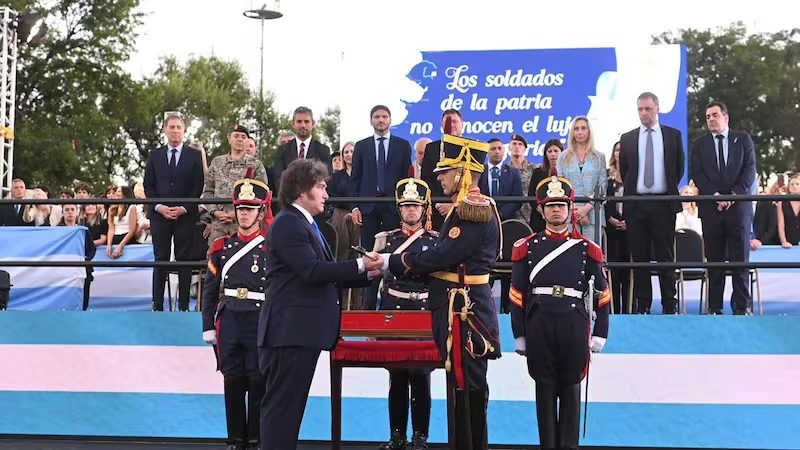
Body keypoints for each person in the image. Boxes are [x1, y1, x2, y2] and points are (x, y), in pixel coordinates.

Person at [383, 133, 501, 450]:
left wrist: (391, 263)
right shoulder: (461, 209)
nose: (439, 177)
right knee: (459, 387)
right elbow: (442, 264)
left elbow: (441, 257)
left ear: (463, 172)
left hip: (464, 311)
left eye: (445, 171)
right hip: (455, 306)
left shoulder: (470, 209)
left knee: (467, 387)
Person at [258, 159, 383, 450]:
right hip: (289, 334)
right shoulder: (289, 222)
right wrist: (359, 264)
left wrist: (368, 273)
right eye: (321, 187)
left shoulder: (305, 223)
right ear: (301, 190)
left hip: (301, 333)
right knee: (282, 411)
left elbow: (325, 274)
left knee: (290, 410)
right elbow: (312, 271)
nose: (327, 193)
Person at [510, 175, 610, 450]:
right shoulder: (525, 247)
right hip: (539, 322)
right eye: (550, 205)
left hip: (573, 323)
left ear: (570, 209)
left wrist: (601, 331)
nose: (556, 210)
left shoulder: (588, 249)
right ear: (541, 210)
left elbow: (603, 294)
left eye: (562, 205)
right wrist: (519, 334)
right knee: (543, 389)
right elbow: (516, 295)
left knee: (570, 387)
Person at [203, 173, 273, 450]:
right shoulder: (221, 247)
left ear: (260, 212)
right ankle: (235, 439)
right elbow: (210, 289)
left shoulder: (271, 246)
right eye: (241, 208)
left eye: (250, 209)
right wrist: (207, 324)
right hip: (230, 316)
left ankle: (255, 438)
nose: (244, 214)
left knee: (257, 378)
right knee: (232, 378)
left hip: (258, 317)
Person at [373, 178, 437, 450]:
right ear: (399, 209)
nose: (411, 210)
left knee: (421, 376)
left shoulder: (436, 241)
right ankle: (396, 435)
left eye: (416, 206)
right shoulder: (385, 240)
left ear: (424, 208)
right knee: (396, 375)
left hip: (423, 312)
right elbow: (373, 280)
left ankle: (420, 436)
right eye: (407, 206)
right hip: (393, 313)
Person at [619, 92, 685, 314]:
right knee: (639, 258)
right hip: (636, 205)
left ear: (657, 108)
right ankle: (643, 305)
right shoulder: (627, 138)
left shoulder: (673, 136)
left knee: (666, 257)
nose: (644, 113)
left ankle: (669, 305)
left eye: (648, 108)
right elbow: (625, 171)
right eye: (640, 109)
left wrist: (662, 191)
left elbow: (678, 169)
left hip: (663, 204)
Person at [689, 101, 756, 315]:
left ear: (726, 117)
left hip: (738, 212)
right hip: (712, 211)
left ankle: (741, 308)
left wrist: (733, 196)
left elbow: (749, 170)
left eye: (715, 115)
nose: (711, 119)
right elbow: (698, 174)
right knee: (715, 263)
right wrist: (716, 196)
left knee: (740, 262)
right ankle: (714, 308)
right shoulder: (699, 145)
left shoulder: (743, 140)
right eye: (708, 116)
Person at [350, 105, 413, 309]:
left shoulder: (403, 146)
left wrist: (404, 209)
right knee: (369, 257)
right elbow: (355, 179)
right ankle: (367, 308)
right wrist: (355, 207)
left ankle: (392, 304)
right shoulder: (362, 146)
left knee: (392, 256)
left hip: (393, 210)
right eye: (377, 117)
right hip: (368, 210)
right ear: (371, 121)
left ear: (390, 120)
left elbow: (406, 180)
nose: (381, 120)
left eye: (384, 116)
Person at [143, 113, 206, 312]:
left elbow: (198, 186)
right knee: (160, 257)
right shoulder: (155, 155)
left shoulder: (194, 155)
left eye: (179, 127)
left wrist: (184, 208)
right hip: (160, 216)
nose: (175, 131)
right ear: (165, 130)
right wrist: (160, 207)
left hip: (185, 215)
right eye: (171, 127)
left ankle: (185, 305)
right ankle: (157, 304)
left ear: (184, 131)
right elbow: (148, 185)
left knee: (184, 259)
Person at [203, 124, 269, 243]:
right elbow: (208, 191)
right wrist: (215, 212)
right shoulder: (217, 162)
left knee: (243, 258)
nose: (239, 139)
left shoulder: (256, 165)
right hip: (218, 224)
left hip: (244, 224)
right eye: (236, 136)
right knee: (215, 257)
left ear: (247, 140)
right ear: (229, 138)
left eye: (243, 137)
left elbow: (261, 195)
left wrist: (236, 214)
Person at [556, 116, 606, 243]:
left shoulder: (599, 157)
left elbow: (602, 187)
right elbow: (560, 186)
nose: (580, 132)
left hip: (594, 214)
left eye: (583, 128)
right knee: (570, 255)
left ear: (589, 131)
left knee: (592, 256)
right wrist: (575, 209)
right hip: (569, 214)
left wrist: (586, 208)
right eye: (576, 129)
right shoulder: (563, 157)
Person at [327, 141, 363, 309]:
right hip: (340, 216)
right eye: (346, 151)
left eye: (352, 151)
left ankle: (356, 305)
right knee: (341, 256)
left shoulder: (363, 174)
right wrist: (346, 211)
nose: (349, 154)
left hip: (359, 217)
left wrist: (354, 210)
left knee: (358, 257)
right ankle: (339, 303)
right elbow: (332, 196)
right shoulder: (336, 176)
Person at [270, 106, 332, 192]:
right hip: (289, 200)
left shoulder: (323, 150)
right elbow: (278, 177)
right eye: (299, 121)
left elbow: (326, 178)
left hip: (314, 200)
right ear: (293, 123)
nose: (303, 125)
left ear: (313, 123)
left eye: (306, 122)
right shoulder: (283, 150)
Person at [421, 109, 464, 230]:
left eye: (455, 121)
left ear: (462, 125)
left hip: (463, 210)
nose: (451, 125)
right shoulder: (431, 148)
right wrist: (439, 203)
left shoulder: (470, 147)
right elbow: (426, 179)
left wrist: (454, 205)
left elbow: (473, 181)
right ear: (441, 126)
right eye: (447, 122)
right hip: (437, 209)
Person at [605, 141, 629, 314]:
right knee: (613, 272)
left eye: (622, 150)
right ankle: (613, 310)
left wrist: (630, 221)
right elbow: (604, 203)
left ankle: (629, 309)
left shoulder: (634, 176)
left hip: (630, 230)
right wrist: (609, 219)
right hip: (612, 230)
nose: (619, 153)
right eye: (617, 150)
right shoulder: (607, 178)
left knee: (628, 271)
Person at [58, 203, 97, 311]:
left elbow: (92, 249)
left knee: (83, 301)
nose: (70, 212)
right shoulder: (57, 231)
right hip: (63, 271)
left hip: (82, 270)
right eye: (67, 210)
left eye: (72, 209)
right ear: (62, 213)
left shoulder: (83, 230)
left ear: (76, 212)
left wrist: (83, 260)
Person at [479, 138, 523, 221]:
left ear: (504, 151)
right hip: (482, 218)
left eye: (499, 148)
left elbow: (517, 199)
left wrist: (500, 214)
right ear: (487, 152)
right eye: (493, 149)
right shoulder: (479, 172)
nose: (497, 151)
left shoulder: (513, 173)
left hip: (506, 220)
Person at [528, 140, 563, 233]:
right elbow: (531, 195)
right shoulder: (538, 172)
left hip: (561, 218)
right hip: (539, 218)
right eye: (550, 151)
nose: (553, 154)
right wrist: (542, 212)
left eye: (556, 151)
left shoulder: (566, 172)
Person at [507, 134, 535, 222]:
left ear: (525, 148)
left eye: (520, 144)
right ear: (509, 147)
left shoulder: (534, 169)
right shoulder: (504, 170)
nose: (517, 147)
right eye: (514, 144)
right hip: (510, 215)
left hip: (530, 214)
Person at [105, 185, 139, 259]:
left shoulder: (132, 208)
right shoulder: (111, 209)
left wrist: (120, 246)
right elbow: (111, 229)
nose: (116, 193)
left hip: (126, 238)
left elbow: (132, 231)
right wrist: (109, 245)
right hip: (115, 237)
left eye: (119, 191)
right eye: (116, 191)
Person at [777, 175, 800, 248]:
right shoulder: (782, 202)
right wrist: (784, 241)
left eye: (797, 184)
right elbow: (781, 224)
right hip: (788, 241)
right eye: (792, 184)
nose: (794, 186)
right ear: (788, 187)